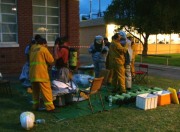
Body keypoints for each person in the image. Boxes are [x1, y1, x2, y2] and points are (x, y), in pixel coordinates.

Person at [29, 37, 55, 112]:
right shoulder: (43, 49)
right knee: (46, 90)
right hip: (41, 74)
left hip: (33, 74)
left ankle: (35, 106)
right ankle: (50, 108)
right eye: (46, 44)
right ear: (44, 43)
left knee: (35, 91)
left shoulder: (32, 49)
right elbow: (51, 60)